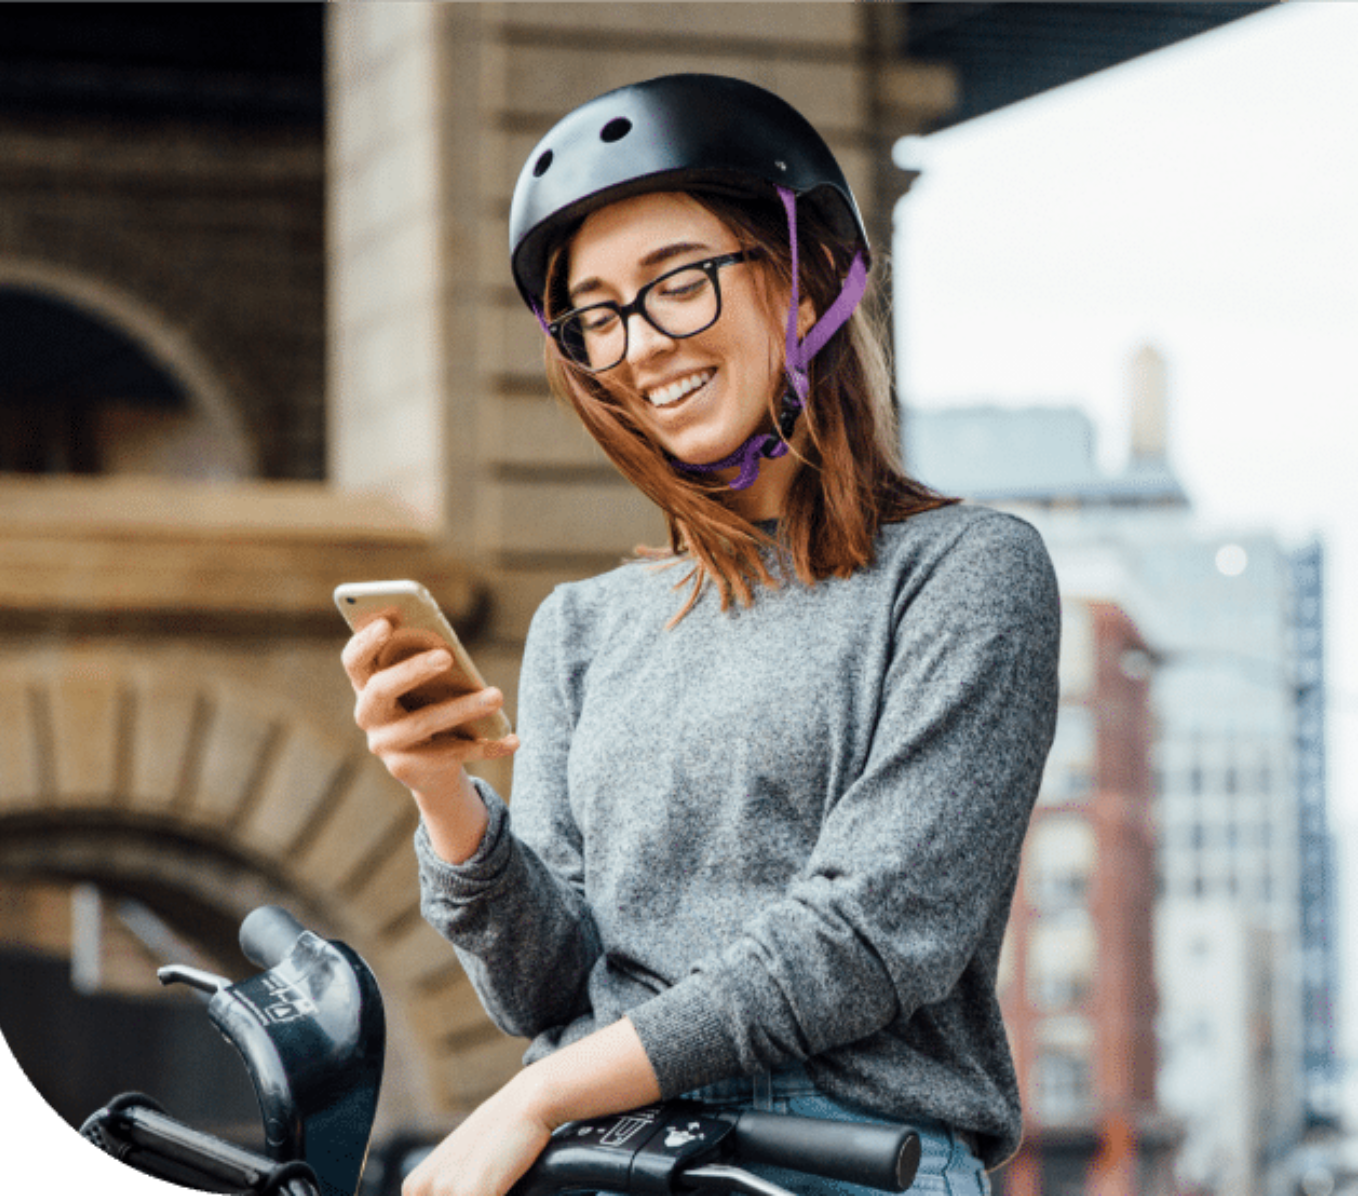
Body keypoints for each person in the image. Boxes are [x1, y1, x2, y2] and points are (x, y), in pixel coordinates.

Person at [342, 74, 1060, 1196]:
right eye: (598, 313)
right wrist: (447, 799)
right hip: (614, 1150)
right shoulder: (584, 625)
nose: (638, 343)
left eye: (677, 283)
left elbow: (869, 935)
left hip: (849, 1154)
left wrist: (538, 1092)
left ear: (806, 272)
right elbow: (547, 988)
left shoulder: (967, 574)